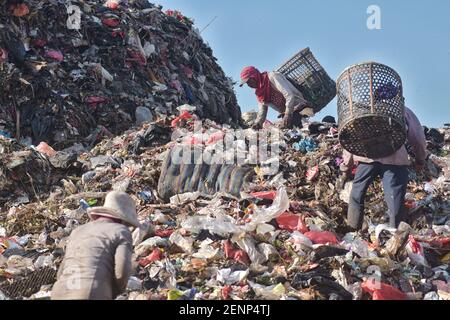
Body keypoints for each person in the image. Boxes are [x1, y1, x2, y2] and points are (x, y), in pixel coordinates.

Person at [340, 106, 427, 231]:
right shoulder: (401, 110)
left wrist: (346, 166)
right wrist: (420, 159)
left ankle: (352, 231)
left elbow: (350, 140)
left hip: (367, 159)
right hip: (395, 160)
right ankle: (395, 234)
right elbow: (418, 138)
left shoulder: (363, 111)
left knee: (356, 195)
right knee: (394, 199)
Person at [51, 191, 140, 300]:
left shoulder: (78, 231)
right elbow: (121, 271)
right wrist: (115, 291)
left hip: (59, 292)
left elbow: (62, 270)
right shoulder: (121, 231)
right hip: (90, 293)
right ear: (124, 220)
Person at [239, 66, 314, 129]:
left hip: (299, 107)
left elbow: (289, 95)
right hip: (287, 115)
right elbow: (262, 112)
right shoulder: (259, 94)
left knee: (300, 128)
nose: (249, 85)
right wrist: (258, 124)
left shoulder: (272, 77)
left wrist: (288, 114)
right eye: (247, 83)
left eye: (249, 81)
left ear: (254, 76)